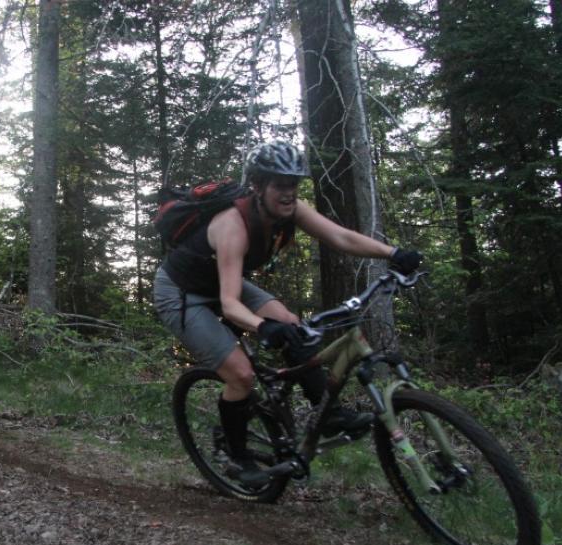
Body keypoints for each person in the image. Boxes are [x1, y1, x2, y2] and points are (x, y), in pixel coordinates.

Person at [153, 140, 423, 487]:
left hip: (219, 280)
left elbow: (340, 237)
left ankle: (325, 414)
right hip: (181, 292)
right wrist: (263, 327)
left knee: (292, 324)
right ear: (258, 186)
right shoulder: (232, 225)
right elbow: (231, 304)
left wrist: (393, 252)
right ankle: (236, 456)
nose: (288, 193)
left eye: (293, 184)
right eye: (280, 185)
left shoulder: (292, 209)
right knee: (241, 375)